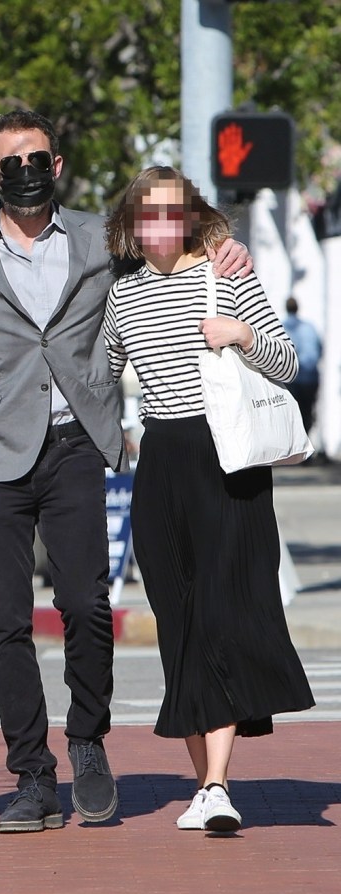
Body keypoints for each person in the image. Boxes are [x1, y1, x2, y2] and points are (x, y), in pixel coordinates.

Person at [0, 109, 252, 834]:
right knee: (5, 622)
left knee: (88, 607)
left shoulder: (101, 236)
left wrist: (225, 246)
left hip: (73, 445)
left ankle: (88, 742)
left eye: (39, 158)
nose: (28, 170)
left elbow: (171, 234)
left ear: (55, 164)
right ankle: (32, 773)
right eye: (13, 161)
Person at [103, 166, 315, 833]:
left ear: (191, 217)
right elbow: (98, 377)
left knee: (225, 612)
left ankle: (219, 783)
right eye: (147, 214)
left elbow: (288, 363)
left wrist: (242, 335)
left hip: (228, 459)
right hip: (161, 460)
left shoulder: (225, 275)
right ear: (132, 225)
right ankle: (205, 785)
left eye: (172, 212)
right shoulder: (123, 295)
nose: (160, 225)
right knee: (181, 622)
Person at [282, 296, 322, 435]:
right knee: (308, 413)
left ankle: (300, 452)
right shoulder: (309, 327)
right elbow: (320, 350)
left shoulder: (282, 327)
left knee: (293, 416)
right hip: (310, 378)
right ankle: (308, 451)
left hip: (292, 380)